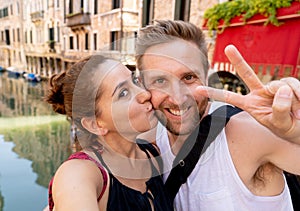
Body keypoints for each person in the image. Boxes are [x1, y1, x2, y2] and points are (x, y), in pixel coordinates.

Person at [136, 20, 300, 211]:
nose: (177, 98)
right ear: (142, 84)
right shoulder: (149, 141)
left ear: (206, 75)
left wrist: (294, 133)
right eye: (160, 80)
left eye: (188, 77)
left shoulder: (249, 132)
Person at [45, 55, 173, 211]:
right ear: (95, 124)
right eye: (123, 93)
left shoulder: (152, 153)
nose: (145, 94)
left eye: (135, 80)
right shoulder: (79, 174)